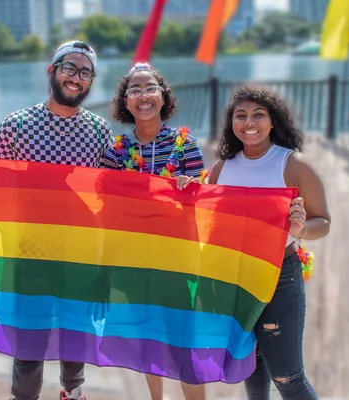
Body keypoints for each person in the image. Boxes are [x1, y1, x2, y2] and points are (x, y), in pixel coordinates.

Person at [0, 40, 114, 400]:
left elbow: (113, 198)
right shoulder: (18, 125)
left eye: (85, 72)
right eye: (69, 68)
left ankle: (72, 394)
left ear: (90, 82)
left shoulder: (101, 132)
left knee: (76, 337)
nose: (76, 77)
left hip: (82, 255)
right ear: (51, 71)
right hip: (30, 256)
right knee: (29, 344)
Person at [179, 85, 330, 400]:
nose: (250, 122)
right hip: (236, 278)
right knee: (251, 368)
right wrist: (187, 190)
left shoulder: (293, 166)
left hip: (279, 275)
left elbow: (323, 222)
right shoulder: (222, 168)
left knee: (288, 378)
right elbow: (208, 218)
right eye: (241, 115)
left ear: (272, 121)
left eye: (258, 115)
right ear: (232, 123)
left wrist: (300, 229)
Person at [101, 62, 207, 400]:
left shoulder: (185, 145)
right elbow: (106, 204)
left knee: (182, 339)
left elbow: (205, 202)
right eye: (134, 90)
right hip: (132, 260)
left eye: (150, 88)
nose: (143, 95)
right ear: (126, 101)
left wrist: (191, 189)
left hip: (178, 257)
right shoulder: (114, 151)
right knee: (146, 337)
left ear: (163, 97)